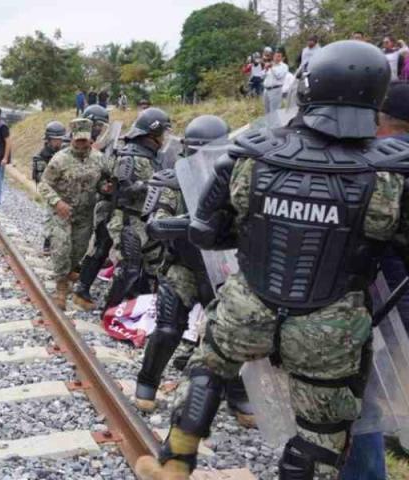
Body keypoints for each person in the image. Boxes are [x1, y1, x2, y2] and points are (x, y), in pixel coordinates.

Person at [137, 41, 409, 480]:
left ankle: (175, 462)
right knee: (324, 425)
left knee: (209, 367)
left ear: (307, 86)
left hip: (249, 306)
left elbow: (206, 231)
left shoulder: (252, 155)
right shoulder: (391, 176)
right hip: (329, 325)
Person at [132, 115, 254, 429]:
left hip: (223, 266)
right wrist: (193, 223)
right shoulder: (171, 180)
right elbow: (155, 225)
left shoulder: (236, 177)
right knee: (169, 329)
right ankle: (148, 381)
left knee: (232, 333)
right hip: (182, 265)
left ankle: (239, 393)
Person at [339, 81, 409, 480]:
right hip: (395, 308)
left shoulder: (384, 170)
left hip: (390, 313)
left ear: (381, 122)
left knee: (362, 407)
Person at [100, 108, 170, 310]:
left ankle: (144, 310)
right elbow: (124, 190)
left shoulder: (156, 157)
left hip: (150, 220)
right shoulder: (128, 156)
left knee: (156, 267)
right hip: (128, 221)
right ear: (151, 134)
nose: (164, 138)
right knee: (129, 268)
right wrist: (151, 185)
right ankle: (109, 309)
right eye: (162, 133)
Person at [38, 118, 105, 310]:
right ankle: (61, 286)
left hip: (84, 214)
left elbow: (100, 181)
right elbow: (44, 184)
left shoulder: (99, 159)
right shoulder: (60, 159)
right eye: (78, 141)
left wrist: (104, 187)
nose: (82, 145)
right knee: (61, 248)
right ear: (72, 139)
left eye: (85, 141)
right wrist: (57, 202)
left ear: (90, 140)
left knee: (79, 250)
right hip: (61, 213)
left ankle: (68, 273)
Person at [72, 104, 117, 310]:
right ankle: (79, 284)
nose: (99, 129)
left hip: (99, 199)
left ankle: (82, 282)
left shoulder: (105, 144)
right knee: (95, 244)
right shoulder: (79, 142)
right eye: (97, 125)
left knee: (101, 244)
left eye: (102, 125)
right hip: (80, 199)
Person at [33, 121, 68, 254]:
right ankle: (47, 242)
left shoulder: (65, 153)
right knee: (49, 216)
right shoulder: (41, 157)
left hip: (65, 190)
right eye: (56, 140)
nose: (59, 143)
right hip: (50, 191)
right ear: (48, 140)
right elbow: (41, 180)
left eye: (60, 139)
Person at [263, 48, 289, 114]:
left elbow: (279, 76)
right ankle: (268, 124)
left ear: (283, 58)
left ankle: (275, 124)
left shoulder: (284, 66)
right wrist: (265, 69)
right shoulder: (270, 64)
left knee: (274, 112)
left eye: (279, 56)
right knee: (267, 111)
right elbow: (262, 76)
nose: (276, 58)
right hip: (266, 90)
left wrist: (272, 67)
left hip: (275, 90)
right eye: (275, 56)